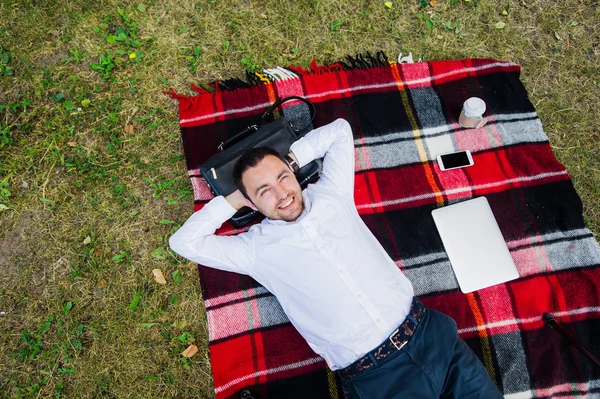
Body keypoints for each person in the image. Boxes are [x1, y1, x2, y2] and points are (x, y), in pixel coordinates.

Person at [169, 118, 503, 398]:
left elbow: (340, 131)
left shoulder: (331, 194)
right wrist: (234, 199)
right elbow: (184, 242)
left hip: (431, 336)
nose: (281, 193)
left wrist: (291, 161)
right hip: (380, 377)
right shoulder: (253, 249)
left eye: (283, 178)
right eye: (263, 191)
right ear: (251, 204)